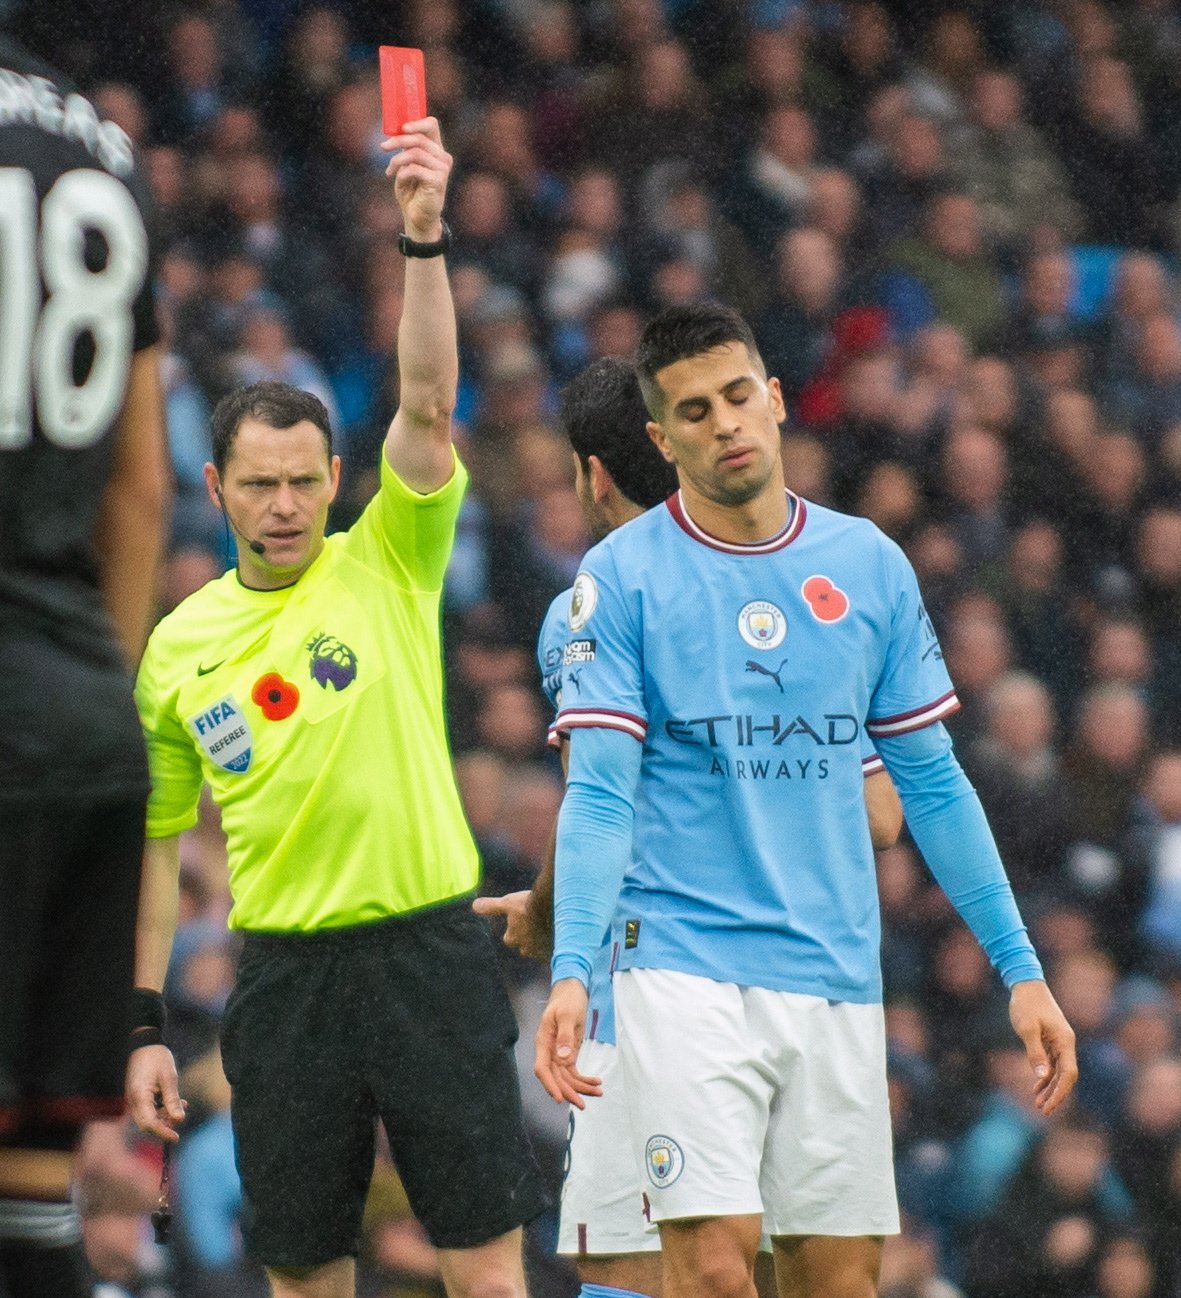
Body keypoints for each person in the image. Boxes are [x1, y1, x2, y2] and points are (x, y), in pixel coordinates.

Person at [535, 303, 1077, 1298]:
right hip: (677, 969)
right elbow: (599, 797)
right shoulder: (615, 581)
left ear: (775, 400)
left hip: (830, 968)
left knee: (835, 1277)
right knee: (708, 1257)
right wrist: (572, 965)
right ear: (660, 438)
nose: (723, 423)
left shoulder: (866, 564)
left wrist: (1020, 966)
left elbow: (930, 782)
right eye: (692, 412)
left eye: (737, 396)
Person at [125, 117, 546, 1298]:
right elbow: (157, 849)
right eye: (258, 484)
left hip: (426, 953)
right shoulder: (177, 650)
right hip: (284, 979)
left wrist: (422, 237)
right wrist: (145, 1021)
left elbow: (424, 401)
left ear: (332, 479)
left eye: (306, 479)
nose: (284, 504)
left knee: (486, 1271)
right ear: (216, 489)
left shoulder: (388, 559)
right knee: (302, 1276)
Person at [477, 357, 904, 1298]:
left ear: (594, 472)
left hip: (656, 984)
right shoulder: (799, 592)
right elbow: (881, 814)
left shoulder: (588, 605)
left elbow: (605, 804)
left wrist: (550, 919)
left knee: (641, 1268)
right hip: (809, 984)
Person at [0, 34, 171, 1298]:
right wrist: (99, 698)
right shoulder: (104, 150)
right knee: (32, 1190)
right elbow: (144, 486)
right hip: (82, 718)